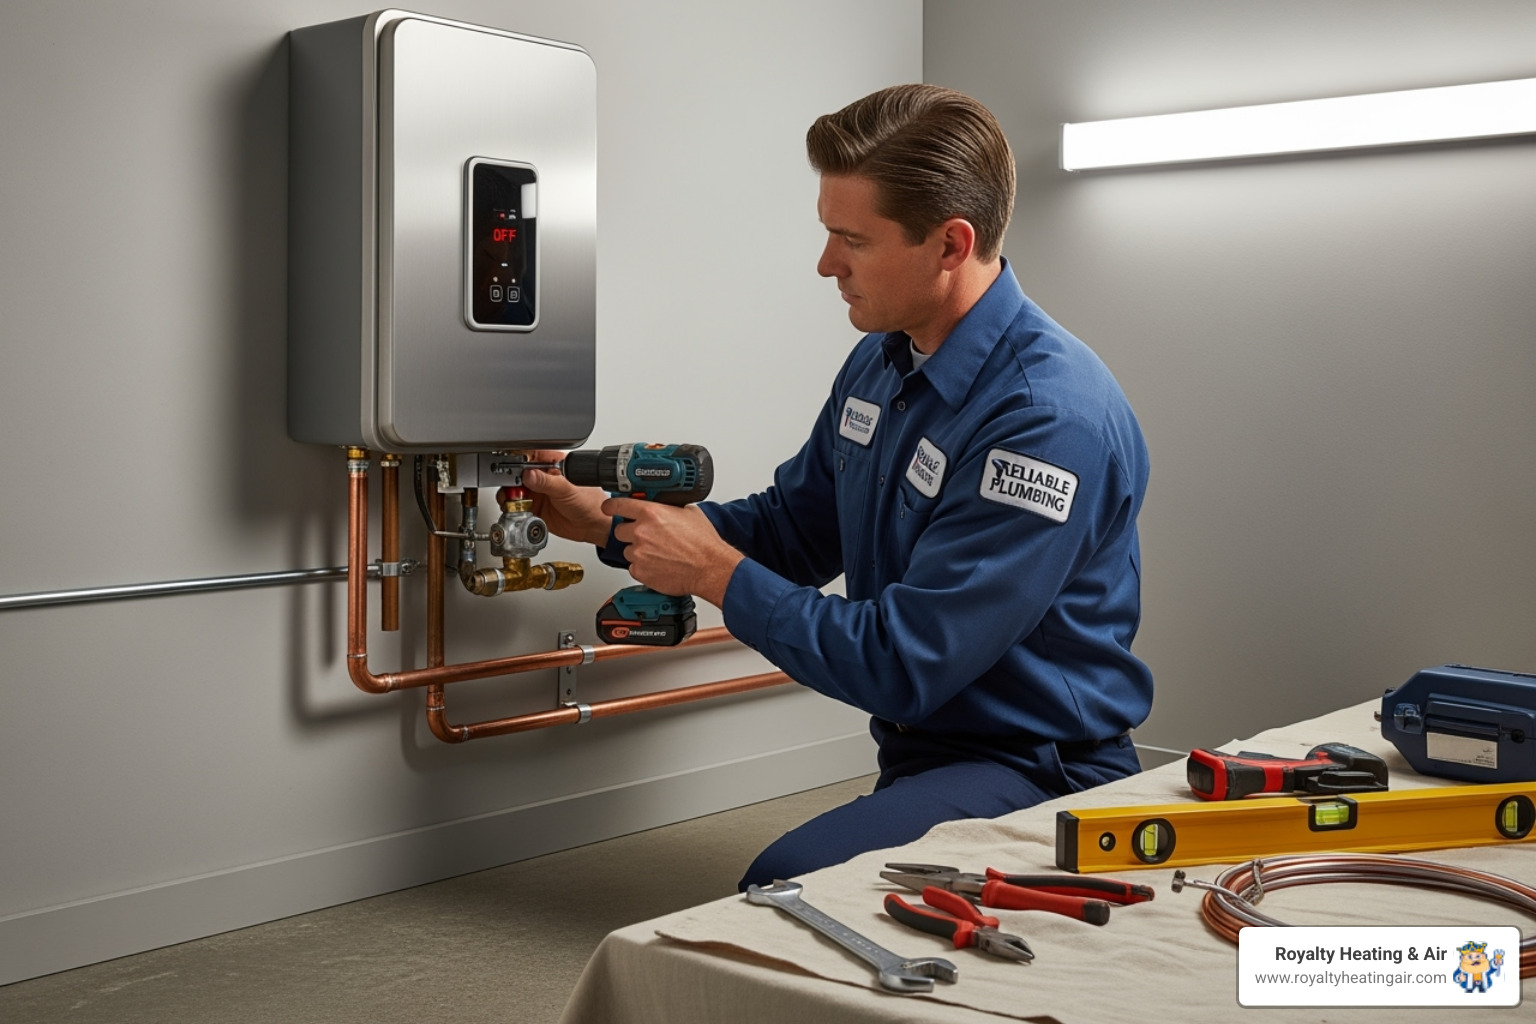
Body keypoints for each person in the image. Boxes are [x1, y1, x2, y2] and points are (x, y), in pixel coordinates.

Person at [524, 84, 1152, 890]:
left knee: (783, 885)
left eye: (850, 238)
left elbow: (903, 662)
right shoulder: (886, 359)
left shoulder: (1044, 422)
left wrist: (712, 572)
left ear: (950, 245)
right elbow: (792, 531)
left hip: (1039, 773)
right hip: (929, 754)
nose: (826, 263)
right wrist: (607, 521)